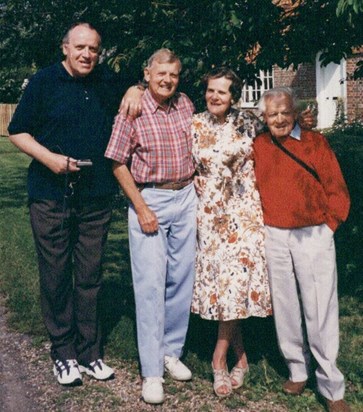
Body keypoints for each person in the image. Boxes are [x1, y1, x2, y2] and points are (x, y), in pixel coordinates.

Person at [7, 22, 142, 386]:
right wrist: (49, 158)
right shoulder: (43, 82)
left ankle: (90, 351)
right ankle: (63, 353)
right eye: (80, 47)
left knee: (89, 276)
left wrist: (134, 87)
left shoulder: (106, 82)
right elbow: (16, 130)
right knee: (55, 276)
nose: (86, 55)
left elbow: (138, 85)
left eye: (93, 49)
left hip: (96, 195)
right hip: (51, 194)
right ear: (65, 48)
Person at [105, 48, 197, 405]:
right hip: (150, 200)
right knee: (149, 284)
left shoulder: (185, 104)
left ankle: (171, 352)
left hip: (186, 196)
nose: (167, 80)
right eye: (161, 74)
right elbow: (116, 162)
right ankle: (151, 372)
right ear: (147, 74)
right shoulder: (133, 108)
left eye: (173, 74)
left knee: (181, 279)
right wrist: (140, 206)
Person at [253, 87, 351, 412]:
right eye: (272, 114)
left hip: (313, 233)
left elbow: (336, 188)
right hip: (274, 233)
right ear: (263, 118)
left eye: (284, 112)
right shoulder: (259, 145)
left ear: (294, 113)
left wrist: (330, 226)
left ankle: (331, 386)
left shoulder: (314, 143)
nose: (279, 118)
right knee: (285, 305)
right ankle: (297, 368)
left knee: (320, 308)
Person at [190, 68, 272, 397]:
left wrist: (303, 123)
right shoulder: (194, 123)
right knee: (225, 286)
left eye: (222, 92)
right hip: (210, 215)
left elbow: (280, 139)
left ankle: (218, 359)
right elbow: (183, 163)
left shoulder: (250, 123)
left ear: (233, 95)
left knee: (237, 281)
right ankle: (243, 357)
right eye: (211, 90)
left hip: (244, 214)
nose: (215, 97)